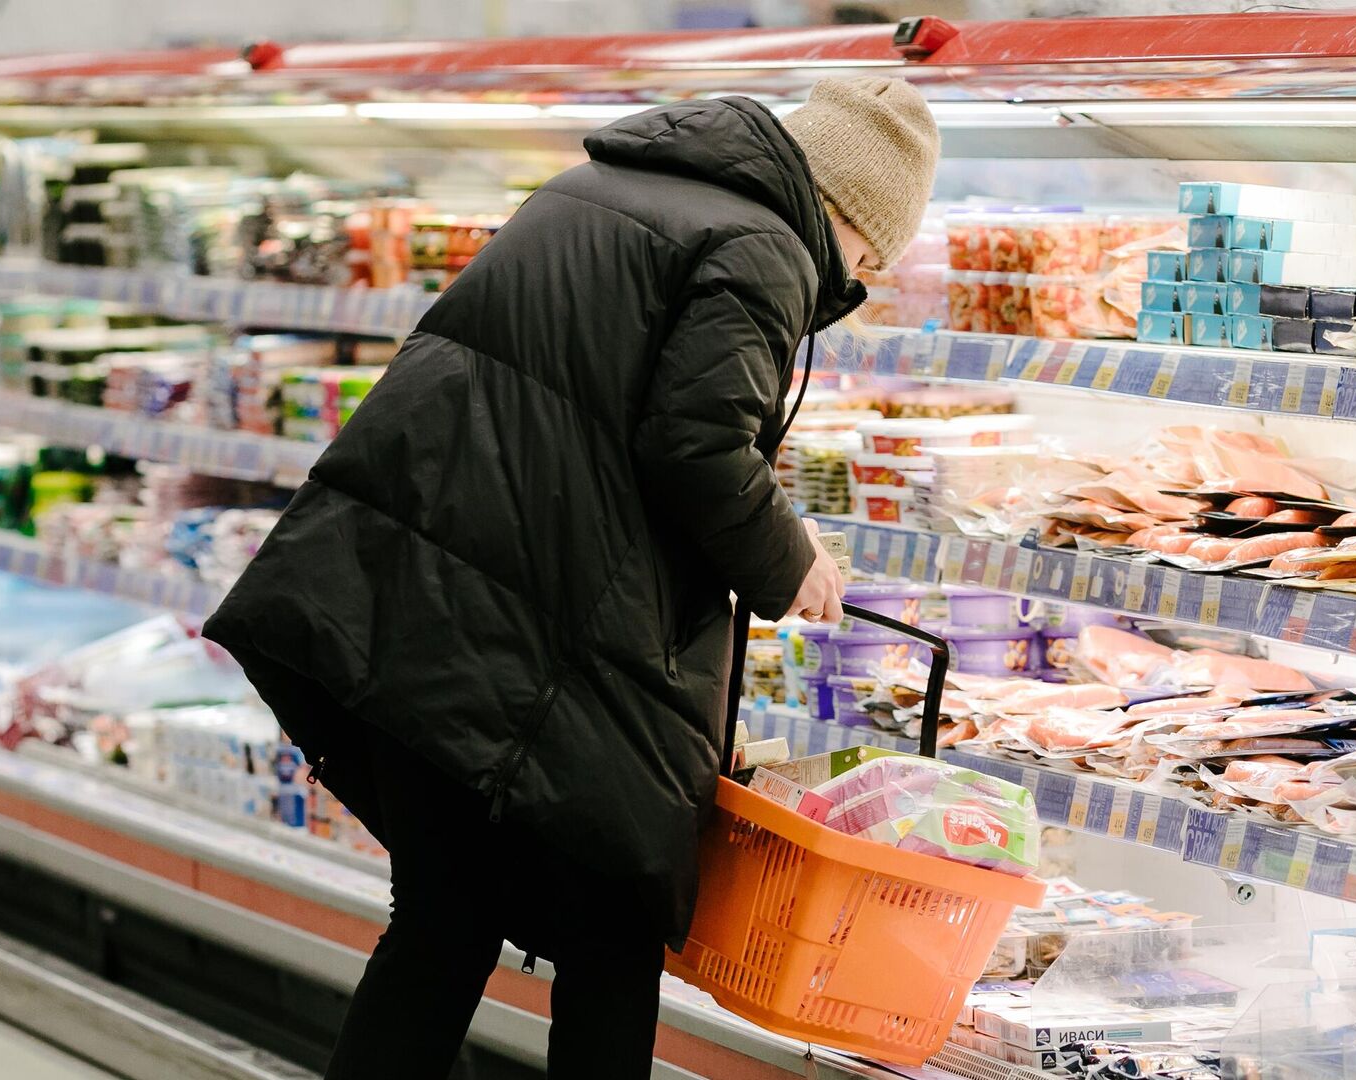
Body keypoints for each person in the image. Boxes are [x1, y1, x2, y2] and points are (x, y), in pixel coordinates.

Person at [202, 76, 939, 1080]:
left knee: (442, 922)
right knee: (614, 929)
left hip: (417, 603)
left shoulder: (599, 184)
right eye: (866, 258)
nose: (854, 280)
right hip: (524, 629)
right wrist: (789, 557)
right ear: (848, 210)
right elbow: (693, 446)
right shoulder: (761, 243)